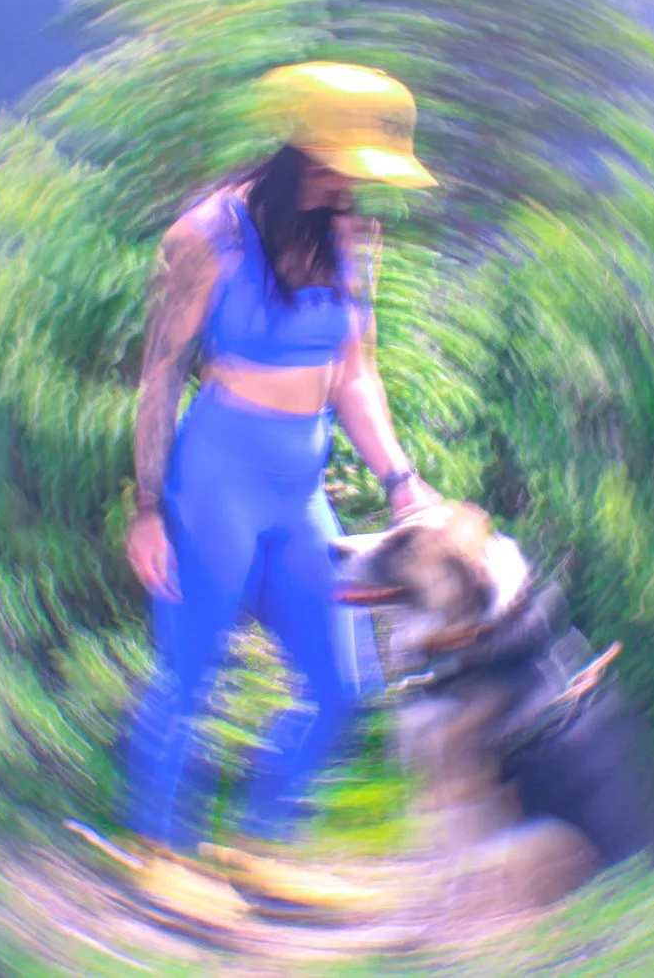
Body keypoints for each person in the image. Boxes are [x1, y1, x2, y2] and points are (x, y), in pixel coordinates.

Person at [119, 60, 443, 921]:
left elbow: (357, 376)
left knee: (345, 683)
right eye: (351, 167)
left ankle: (259, 846)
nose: (358, 188)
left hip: (300, 480)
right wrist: (147, 508)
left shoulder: (353, 237)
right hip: (216, 475)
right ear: (307, 148)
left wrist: (400, 479)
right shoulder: (206, 237)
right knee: (190, 672)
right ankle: (160, 849)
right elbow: (159, 375)